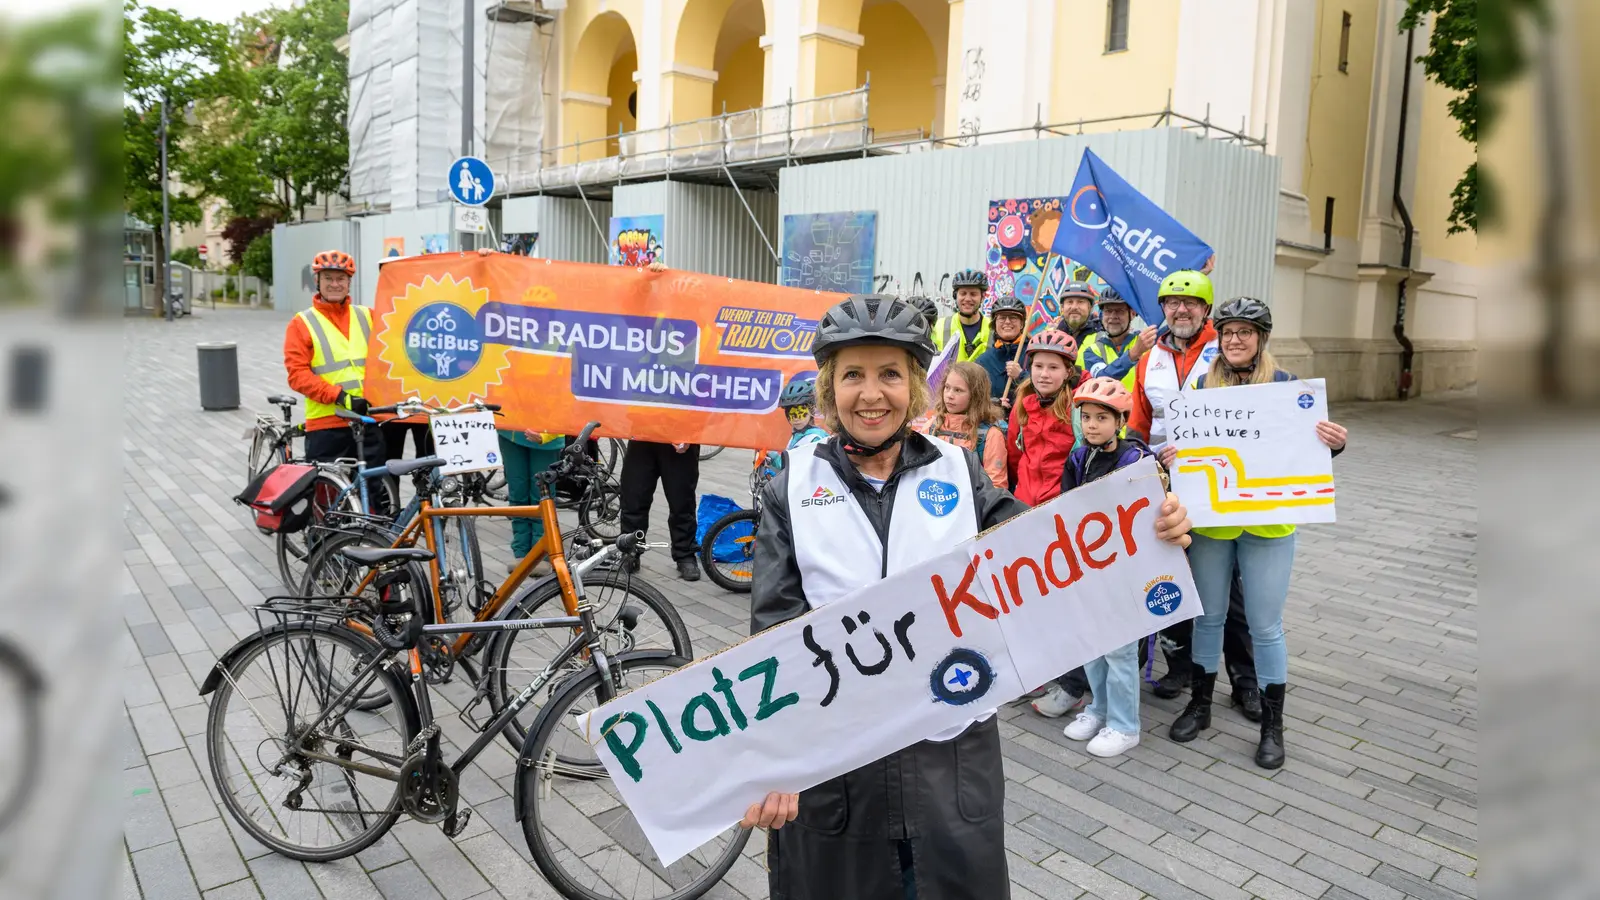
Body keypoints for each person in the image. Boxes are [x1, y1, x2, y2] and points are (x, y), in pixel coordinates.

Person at [742, 293, 1196, 898]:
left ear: (916, 388)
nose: (871, 393)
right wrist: (770, 759)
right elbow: (773, 638)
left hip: (950, 770)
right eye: (853, 374)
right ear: (829, 387)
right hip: (837, 778)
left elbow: (1056, 556)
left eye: (890, 374)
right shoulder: (790, 487)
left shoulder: (959, 472)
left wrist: (1148, 536)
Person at [1158, 297, 1348, 768]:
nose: (1235, 340)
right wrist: (1173, 457)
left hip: (1268, 525)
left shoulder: (1286, 388)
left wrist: (1333, 445)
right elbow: (1190, 449)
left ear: (1261, 338)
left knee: (1265, 627)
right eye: (1228, 332)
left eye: (1245, 332)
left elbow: (1305, 456)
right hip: (1214, 525)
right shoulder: (1201, 388)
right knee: (1208, 617)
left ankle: (1272, 725)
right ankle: (1200, 703)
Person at [1127, 270, 1261, 718]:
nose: (1180, 310)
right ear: (1162, 308)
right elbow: (1138, 421)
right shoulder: (1151, 357)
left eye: (1190, 303)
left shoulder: (1223, 351)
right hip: (1167, 482)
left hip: (1219, 483)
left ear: (1206, 309)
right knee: (1172, 574)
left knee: (1230, 585)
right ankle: (1181, 666)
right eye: (1171, 303)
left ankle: (1246, 679)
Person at [1057, 377, 1160, 758]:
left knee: (1119, 650)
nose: (1092, 425)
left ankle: (1124, 723)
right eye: (1086, 417)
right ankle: (1098, 709)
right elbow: (1066, 507)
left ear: (1120, 421)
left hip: (1124, 570)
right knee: (1091, 644)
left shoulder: (1135, 459)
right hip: (1087, 566)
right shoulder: (1079, 457)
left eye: (1102, 417)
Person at [1003, 328, 1091, 717]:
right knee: (1030, 597)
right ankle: (1038, 669)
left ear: (1069, 371)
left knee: (1066, 601)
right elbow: (1012, 456)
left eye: (1054, 367)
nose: (1043, 373)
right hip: (1025, 510)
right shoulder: (1023, 403)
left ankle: (1072, 683)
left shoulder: (1077, 409)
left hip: (1062, 515)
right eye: (1038, 365)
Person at [283, 250, 385, 470]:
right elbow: (297, 376)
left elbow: (402, 330)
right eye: (328, 278)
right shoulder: (302, 323)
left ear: (349, 283)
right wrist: (339, 396)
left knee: (376, 494)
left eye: (341, 278)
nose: (335, 284)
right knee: (326, 496)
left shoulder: (368, 315)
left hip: (368, 420)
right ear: (317, 281)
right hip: (326, 424)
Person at [914, 360, 1007, 489]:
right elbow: (917, 470)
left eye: (958, 390)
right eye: (947, 387)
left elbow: (996, 485)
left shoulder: (990, 435)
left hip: (972, 505)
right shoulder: (932, 426)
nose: (949, 395)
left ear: (976, 396)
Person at [619, 439, 701, 581]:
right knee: (634, 498)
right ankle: (630, 551)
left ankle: (685, 554)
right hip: (642, 436)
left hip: (679, 438)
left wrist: (689, 433)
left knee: (682, 501)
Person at [497, 428, 563, 573]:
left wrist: (547, 434)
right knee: (517, 494)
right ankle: (521, 553)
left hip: (545, 434)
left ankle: (541, 553)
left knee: (541, 495)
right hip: (510, 433)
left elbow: (565, 407)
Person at [1075, 286, 1148, 390]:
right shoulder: (1092, 351)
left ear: (1132, 314)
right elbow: (1102, 380)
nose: (1113, 316)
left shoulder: (1147, 343)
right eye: (1108, 311)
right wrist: (1132, 355)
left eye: (1119, 311)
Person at [975, 291, 1029, 405]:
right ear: (995, 324)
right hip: (995, 422)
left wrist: (1021, 376)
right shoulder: (983, 361)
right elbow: (974, 399)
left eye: (1013, 317)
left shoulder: (1034, 354)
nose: (1007, 322)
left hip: (1027, 420)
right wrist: (995, 404)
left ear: (1022, 324)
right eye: (1002, 318)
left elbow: (1046, 389)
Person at [929, 269, 992, 362]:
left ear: (982, 297)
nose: (967, 299)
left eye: (973, 294)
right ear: (955, 296)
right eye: (963, 293)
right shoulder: (939, 326)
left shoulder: (993, 327)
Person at [1052, 281, 1101, 348]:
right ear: (1062, 307)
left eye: (1080, 302)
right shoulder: (1052, 335)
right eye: (1070, 302)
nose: (1074, 307)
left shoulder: (1102, 336)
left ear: (1090, 308)